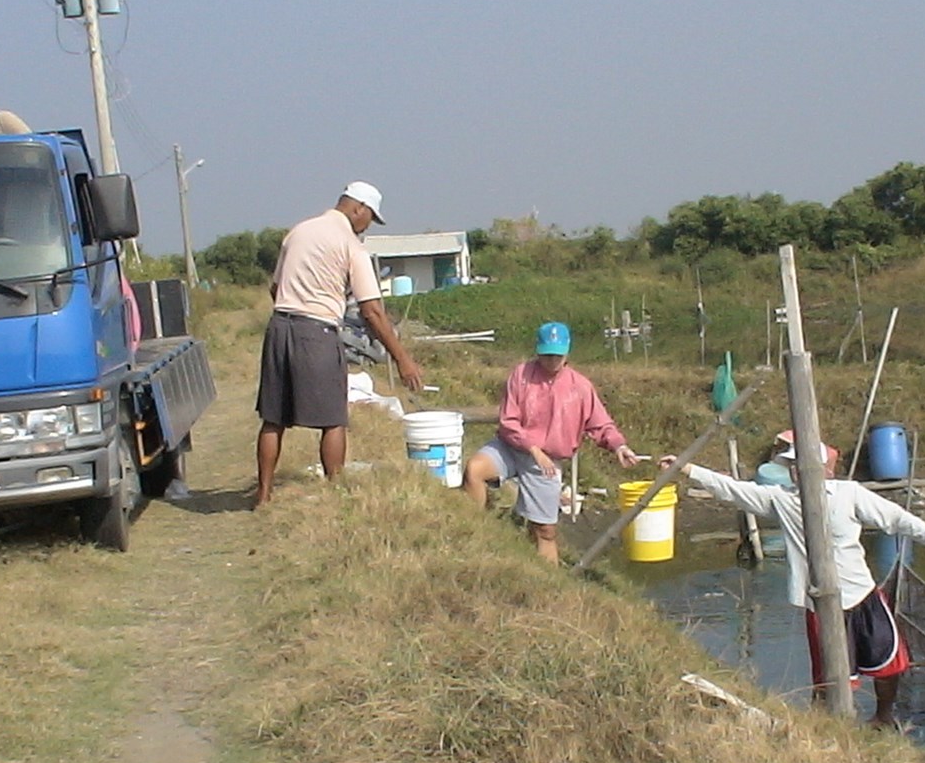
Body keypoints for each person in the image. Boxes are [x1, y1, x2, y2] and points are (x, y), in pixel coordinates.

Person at [662, 441, 925, 726]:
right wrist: (687, 469)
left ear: (823, 469)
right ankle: (829, 727)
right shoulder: (781, 499)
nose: (796, 471)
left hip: (862, 594)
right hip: (821, 603)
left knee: (890, 663)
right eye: (792, 466)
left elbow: (894, 516)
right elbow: (731, 489)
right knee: (830, 677)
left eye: (802, 464)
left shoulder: (849, 493)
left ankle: (883, 718)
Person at [255, 182, 423, 505]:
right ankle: (337, 495)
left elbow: (275, 289)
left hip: (278, 328)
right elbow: (372, 311)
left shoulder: (298, 232)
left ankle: (263, 495)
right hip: (317, 332)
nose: (367, 226)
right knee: (333, 418)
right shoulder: (350, 245)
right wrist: (402, 359)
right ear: (358, 208)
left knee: (273, 418)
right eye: (370, 218)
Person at [463, 322, 642, 563]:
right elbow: (509, 420)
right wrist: (533, 448)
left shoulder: (580, 387)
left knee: (545, 531)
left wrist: (619, 446)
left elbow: (600, 424)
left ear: (567, 353)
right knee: (474, 470)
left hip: (547, 462)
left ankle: (548, 575)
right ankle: (471, 538)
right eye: (547, 355)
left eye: (557, 355)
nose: (552, 361)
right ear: (538, 351)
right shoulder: (521, 375)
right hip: (511, 447)